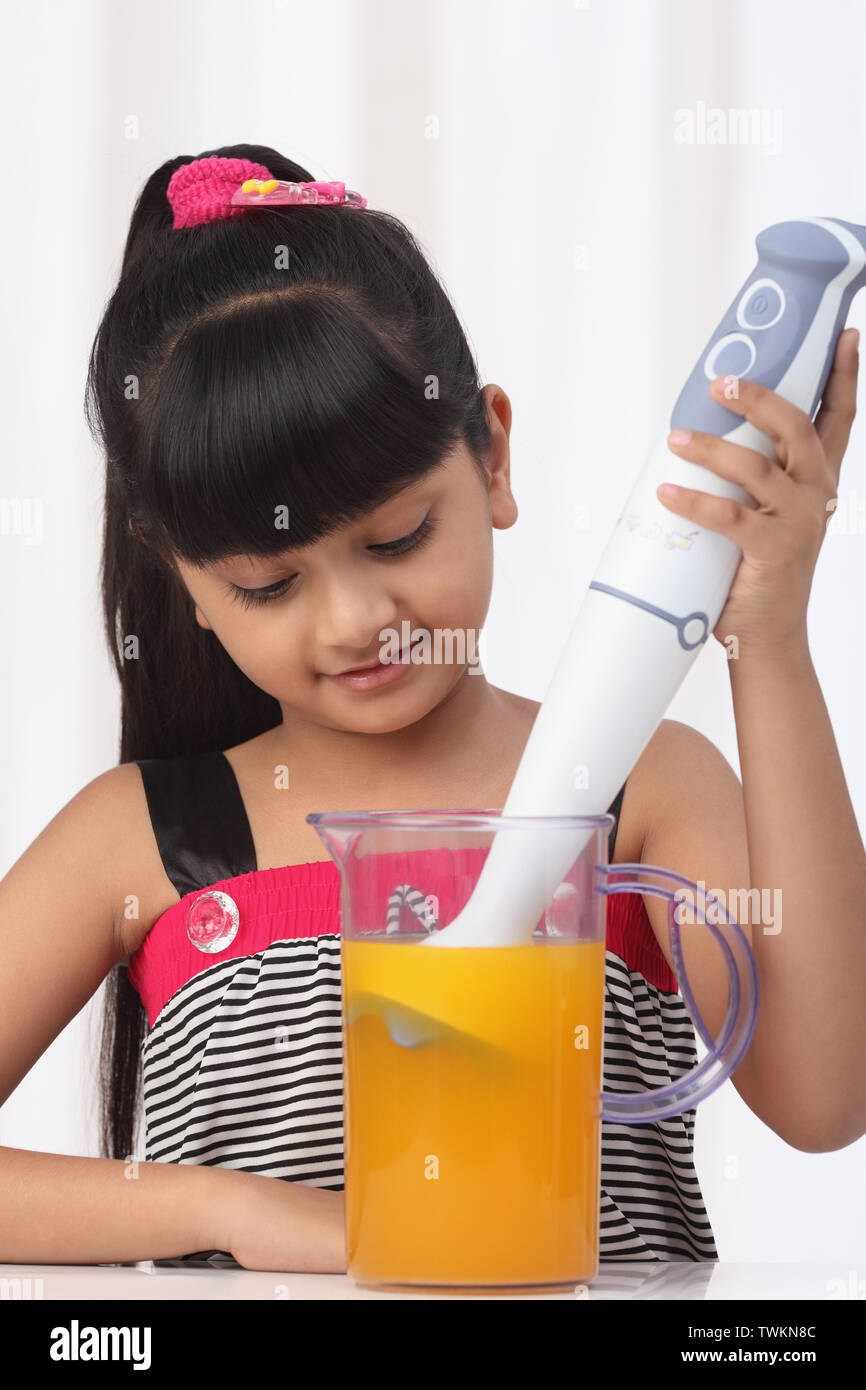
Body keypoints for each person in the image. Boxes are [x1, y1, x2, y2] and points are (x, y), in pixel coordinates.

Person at [1, 143, 863, 1275]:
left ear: (492, 456)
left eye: (398, 536)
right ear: (185, 583)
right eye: (268, 584)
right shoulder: (143, 834)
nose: (355, 617)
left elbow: (824, 1094)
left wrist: (769, 633)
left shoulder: (643, 790)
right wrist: (240, 1212)